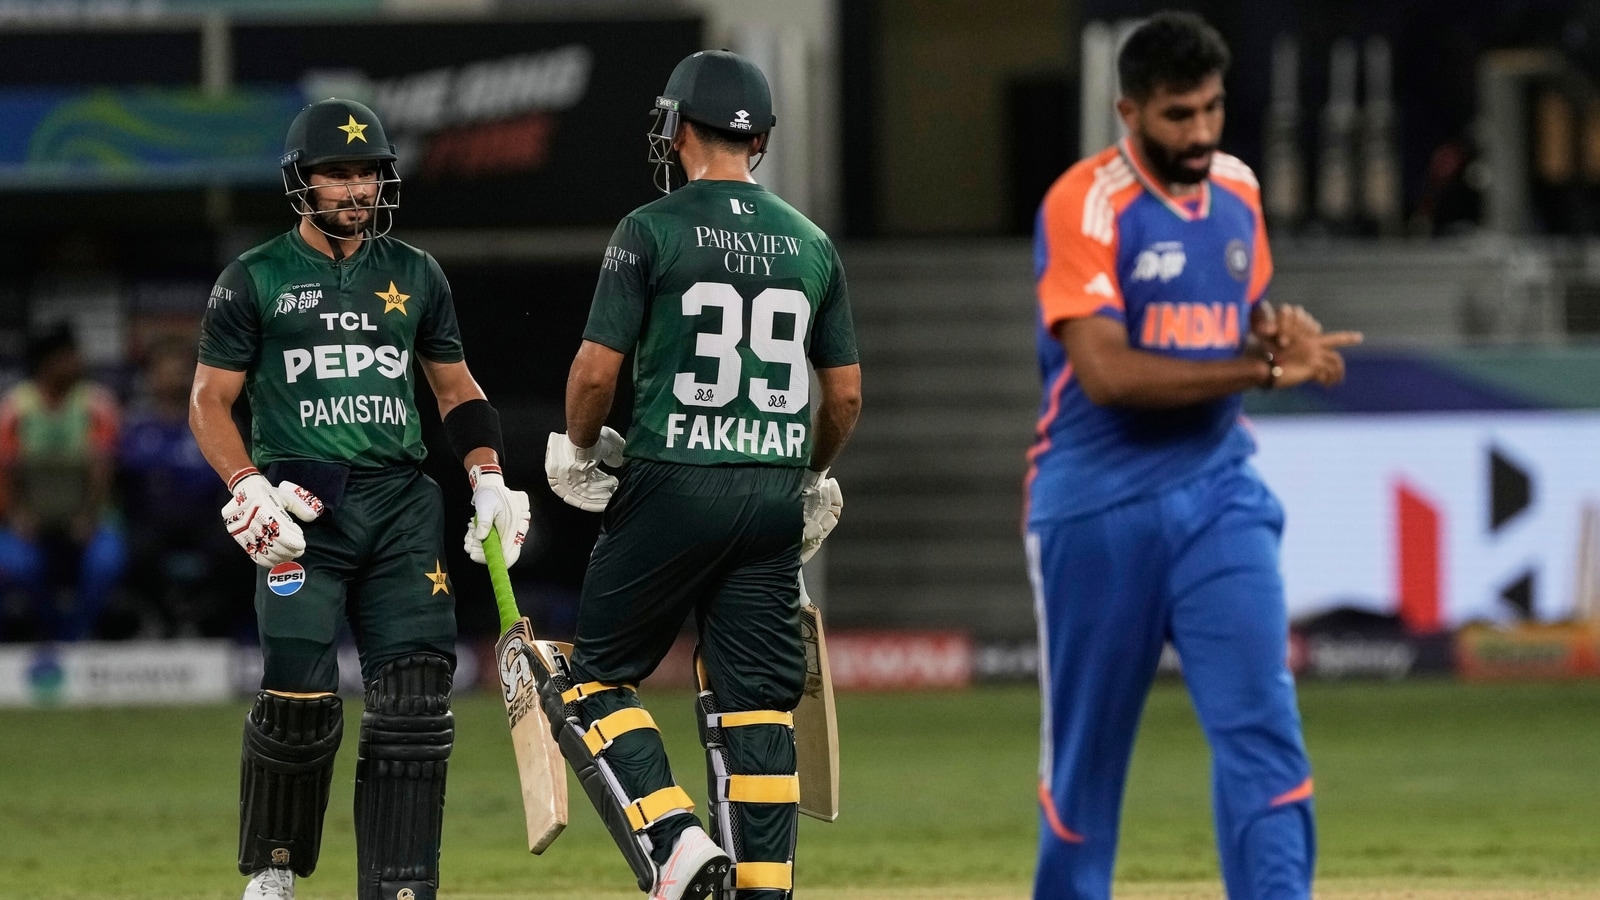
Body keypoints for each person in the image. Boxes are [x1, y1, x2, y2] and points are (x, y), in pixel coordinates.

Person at [1025, 13, 1362, 900]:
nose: (1202, 132)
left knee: (1263, 730)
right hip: (1096, 509)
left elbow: (1234, 321)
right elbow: (1105, 374)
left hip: (1220, 495)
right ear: (1129, 111)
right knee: (1086, 766)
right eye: (1179, 115)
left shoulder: (1239, 188)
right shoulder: (1085, 203)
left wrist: (1275, 336)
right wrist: (1263, 369)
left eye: (1212, 108)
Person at [189, 97, 531, 900]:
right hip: (301, 506)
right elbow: (208, 401)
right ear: (301, 182)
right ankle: (274, 870)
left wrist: (488, 475)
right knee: (299, 699)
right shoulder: (254, 278)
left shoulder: (416, 273)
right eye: (337, 173)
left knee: (414, 707)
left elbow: (456, 391)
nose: (356, 189)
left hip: (402, 505)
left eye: (368, 173)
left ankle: (400, 886)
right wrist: (246, 484)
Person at [543, 50, 860, 900]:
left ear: (678, 127)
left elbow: (595, 372)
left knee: (591, 677)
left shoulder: (649, 229)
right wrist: (808, 474)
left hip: (673, 482)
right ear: (760, 140)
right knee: (757, 707)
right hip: (770, 492)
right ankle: (762, 889)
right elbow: (844, 395)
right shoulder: (811, 241)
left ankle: (676, 839)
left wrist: (579, 446)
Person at [0, 322, 126, 642]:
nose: (77, 362)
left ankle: (77, 634)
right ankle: (49, 630)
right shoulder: (15, 408)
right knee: (18, 566)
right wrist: (17, 515)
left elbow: (103, 472)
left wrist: (89, 516)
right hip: (29, 520)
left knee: (106, 563)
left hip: (89, 519)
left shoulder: (96, 404)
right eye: (69, 356)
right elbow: (6, 473)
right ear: (48, 362)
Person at [119, 337, 250, 637]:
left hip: (207, 518)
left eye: (180, 371)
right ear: (151, 378)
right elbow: (131, 475)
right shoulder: (137, 424)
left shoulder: (214, 419)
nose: (173, 379)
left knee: (236, 547)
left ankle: (213, 623)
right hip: (154, 522)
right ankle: (163, 621)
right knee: (136, 551)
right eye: (165, 372)